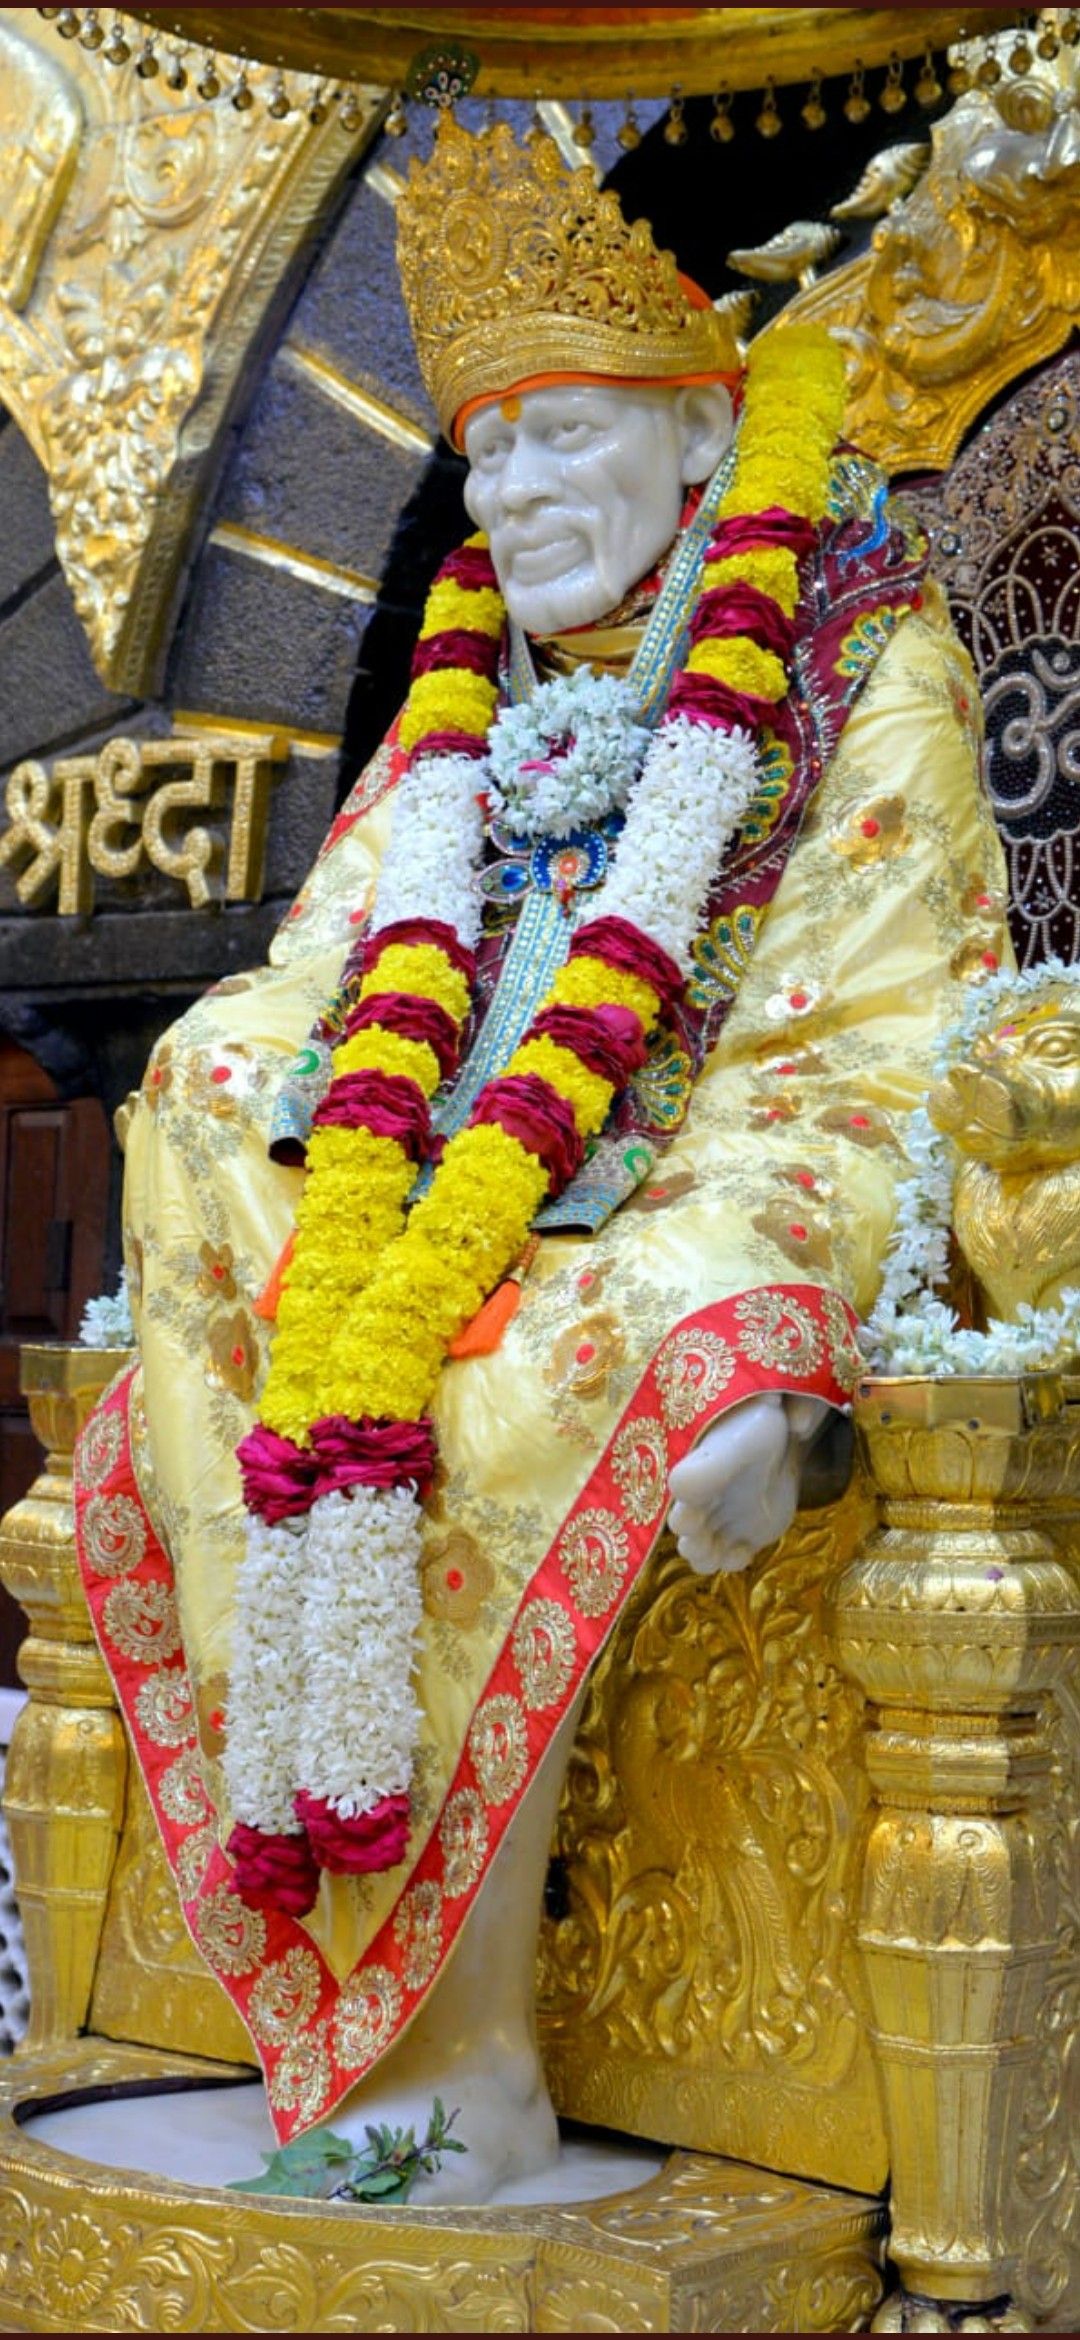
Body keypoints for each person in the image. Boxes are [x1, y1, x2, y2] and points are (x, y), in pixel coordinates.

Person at [74, 115, 1008, 2199]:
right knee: (207, 1088)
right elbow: (325, 978)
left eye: (561, 441)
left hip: (671, 1203)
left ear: (699, 440)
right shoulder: (461, 708)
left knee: (543, 1374)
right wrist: (261, 1089)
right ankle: (326, 2015)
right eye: (485, 460)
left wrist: (755, 1303)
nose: (509, 501)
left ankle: (454, 2064)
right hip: (397, 1219)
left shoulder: (863, 661)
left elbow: (869, 1040)